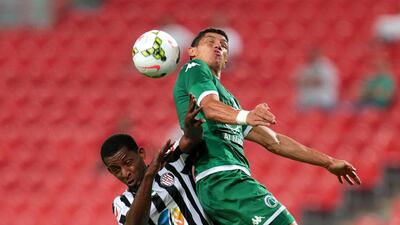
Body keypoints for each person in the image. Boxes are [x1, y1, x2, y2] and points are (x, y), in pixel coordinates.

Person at [173, 28, 361, 225]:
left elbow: (274, 141)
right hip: (223, 178)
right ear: (192, 51)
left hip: (222, 186)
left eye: (224, 45)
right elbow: (210, 107)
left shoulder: (229, 103)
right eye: (210, 41)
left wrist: (328, 162)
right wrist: (247, 116)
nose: (218, 45)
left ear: (227, 59)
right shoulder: (194, 68)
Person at [101, 95, 213, 225]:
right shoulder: (122, 203)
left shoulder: (171, 162)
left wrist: (191, 128)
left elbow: (190, 139)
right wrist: (149, 175)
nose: (125, 173)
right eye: (117, 170)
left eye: (128, 163)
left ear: (141, 154)